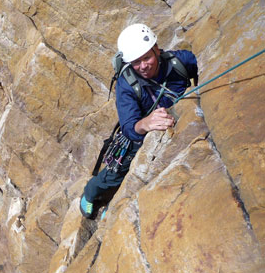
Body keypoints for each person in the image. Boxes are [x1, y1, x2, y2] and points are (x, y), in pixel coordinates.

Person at [80, 23, 198, 219]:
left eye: (147, 57)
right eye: (136, 62)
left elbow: (202, 65)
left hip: (170, 124)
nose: (143, 66)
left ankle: (116, 203)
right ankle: (90, 194)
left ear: (157, 50)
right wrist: (146, 123)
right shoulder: (127, 84)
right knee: (114, 174)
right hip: (138, 133)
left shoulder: (179, 62)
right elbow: (128, 126)